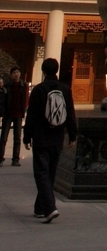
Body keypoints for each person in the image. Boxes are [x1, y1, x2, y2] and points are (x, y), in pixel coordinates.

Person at [23, 57, 77, 224]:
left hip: (41, 137)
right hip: (57, 137)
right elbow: (71, 113)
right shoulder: (65, 89)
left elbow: (31, 115)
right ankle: (40, 208)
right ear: (57, 70)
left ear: (44, 71)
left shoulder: (39, 90)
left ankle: (49, 208)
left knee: (41, 173)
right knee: (50, 173)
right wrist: (72, 135)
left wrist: (27, 136)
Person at [0, 66, 28, 166]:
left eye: (18, 72)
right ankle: (0, 158)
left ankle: (15, 159)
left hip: (18, 114)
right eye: (14, 72)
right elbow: (3, 99)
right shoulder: (7, 86)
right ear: (11, 75)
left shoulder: (24, 85)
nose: (16, 74)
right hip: (8, 114)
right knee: (3, 138)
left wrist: (24, 110)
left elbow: (26, 99)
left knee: (17, 138)